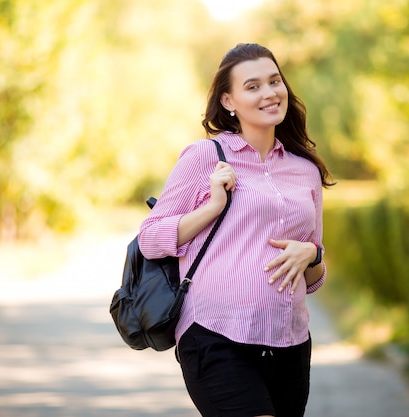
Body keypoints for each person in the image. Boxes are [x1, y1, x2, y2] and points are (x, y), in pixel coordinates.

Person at [138, 43, 335, 417]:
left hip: (290, 341)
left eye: (275, 81)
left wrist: (313, 253)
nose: (269, 93)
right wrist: (212, 207)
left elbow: (313, 277)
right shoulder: (204, 158)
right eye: (253, 86)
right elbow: (150, 238)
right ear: (229, 100)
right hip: (216, 335)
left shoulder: (305, 170)